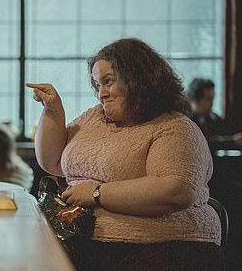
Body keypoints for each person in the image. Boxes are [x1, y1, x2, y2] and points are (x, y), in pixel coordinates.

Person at [27, 38, 223, 270]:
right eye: (97, 84)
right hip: (84, 243)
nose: (102, 94)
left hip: (163, 248)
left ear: (138, 80)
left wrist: (97, 194)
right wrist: (53, 111)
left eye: (108, 82)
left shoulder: (175, 127)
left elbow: (175, 192)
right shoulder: (93, 118)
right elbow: (53, 162)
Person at [187, 78, 242, 151]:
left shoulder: (214, 119)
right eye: (208, 99)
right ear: (193, 99)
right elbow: (200, 143)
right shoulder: (186, 122)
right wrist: (232, 141)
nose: (212, 104)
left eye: (213, 99)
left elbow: (225, 134)